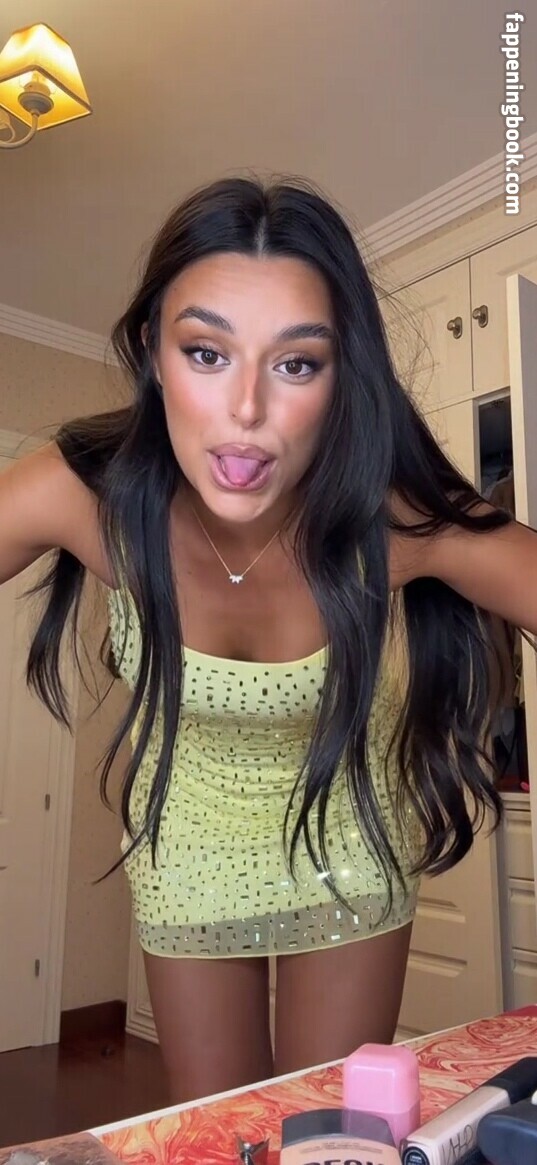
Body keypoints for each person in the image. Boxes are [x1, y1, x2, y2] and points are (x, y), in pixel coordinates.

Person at [1, 176, 536, 1105]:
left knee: (329, 1131)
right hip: (185, 857)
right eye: (206, 352)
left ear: (340, 378)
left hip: (348, 845)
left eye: (295, 364)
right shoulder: (86, 497)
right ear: (153, 352)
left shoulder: (389, 523)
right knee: (226, 1131)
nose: (245, 409)